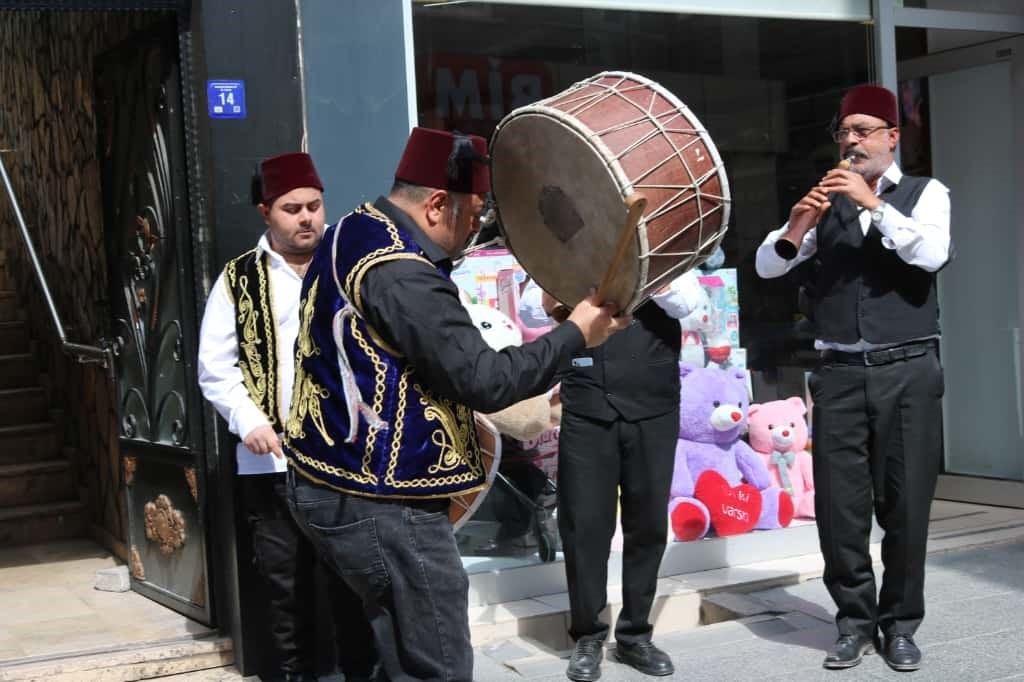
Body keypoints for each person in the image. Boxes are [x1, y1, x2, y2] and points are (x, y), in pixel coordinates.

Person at [282, 126, 629, 682]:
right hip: (382, 504)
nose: (476, 230)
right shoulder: (401, 272)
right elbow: (485, 380)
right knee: (435, 666)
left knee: (374, 657)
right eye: (474, 215)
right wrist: (576, 336)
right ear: (438, 204)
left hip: (327, 483)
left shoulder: (354, 227)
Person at [755, 84, 951, 673]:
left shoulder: (926, 193)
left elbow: (932, 254)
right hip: (839, 373)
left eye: (864, 130)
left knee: (906, 506)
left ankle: (900, 625)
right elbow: (769, 263)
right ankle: (853, 622)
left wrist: (873, 204)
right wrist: (795, 224)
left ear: (893, 136)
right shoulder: (828, 202)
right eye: (844, 132)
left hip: (908, 370)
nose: (851, 141)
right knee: (841, 509)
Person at [198, 152, 376, 682]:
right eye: (292, 208)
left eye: (315, 207)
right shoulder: (239, 279)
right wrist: (248, 420)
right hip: (273, 467)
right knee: (286, 590)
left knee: (356, 584)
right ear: (265, 212)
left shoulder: (350, 265)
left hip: (348, 461)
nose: (307, 219)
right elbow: (214, 367)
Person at [543, 271, 706, 682]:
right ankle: (588, 636)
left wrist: (643, 270)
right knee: (584, 526)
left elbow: (687, 304)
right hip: (587, 404)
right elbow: (535, 305)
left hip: (653, 405)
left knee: (647, 524)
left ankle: (635, 634)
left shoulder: (667, 253)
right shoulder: (576, 252)